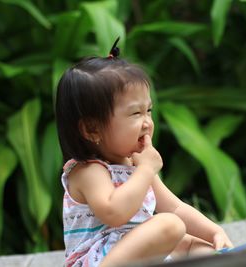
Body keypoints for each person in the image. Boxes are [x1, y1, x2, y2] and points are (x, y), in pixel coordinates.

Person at [55, 38, 234, 267]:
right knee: (169, 226)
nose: (148, 122)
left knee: (193, 243)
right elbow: (114, 212)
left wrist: (213, 232)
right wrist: (146, 169)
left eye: (148, 110)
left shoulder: (134, 165)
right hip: (98, 261)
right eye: (135, 114)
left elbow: (175, 207)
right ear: (92, 129)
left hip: (133, 255)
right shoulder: (88, 171)